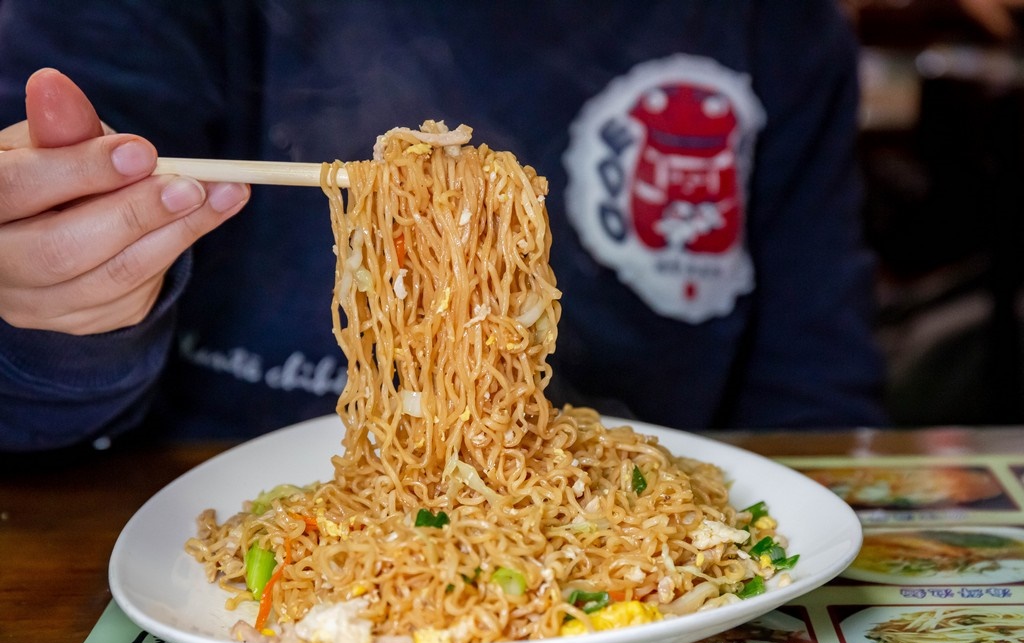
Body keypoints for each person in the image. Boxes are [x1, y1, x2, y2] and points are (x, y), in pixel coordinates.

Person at [0, 1, 886, 453]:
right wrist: (61, 318)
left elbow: (813, 396)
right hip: (189, 529)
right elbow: (27, 394)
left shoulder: (777, 23)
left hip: (620, 555)